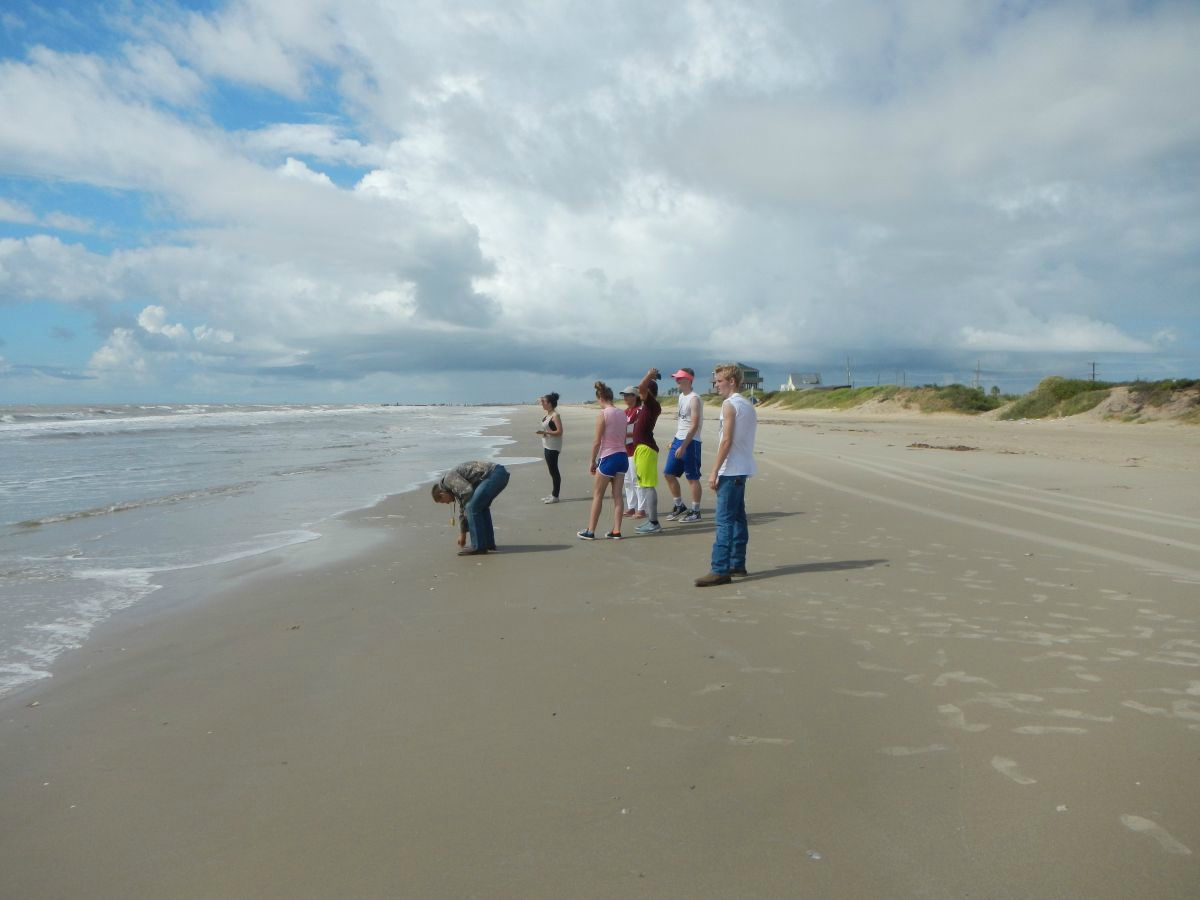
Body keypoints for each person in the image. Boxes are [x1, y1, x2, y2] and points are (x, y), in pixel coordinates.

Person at [695, 364, 757, 586]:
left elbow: (727, 440)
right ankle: (737, 563)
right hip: (742, 468)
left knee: (724, 521)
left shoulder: (730, 404)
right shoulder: (747, 405)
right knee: (738, 518)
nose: (716, 385)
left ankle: (720, 569)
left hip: (731, 470)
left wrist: (714, 471)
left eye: (719, 381)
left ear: (732, 381)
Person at [578, 381, 627, 541]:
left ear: (600, 398)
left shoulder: (603, 414)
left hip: (608, 457)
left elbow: (597, 441)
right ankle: (616, 530)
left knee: (598, 495)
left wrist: (592, 461)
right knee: (617, 495)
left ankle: (591, 530)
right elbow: (623, 437)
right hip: (622, 456)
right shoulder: (622, 414)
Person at [431, 460, 511, 556]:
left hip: (493, 474)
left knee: (472, 507)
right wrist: (463, 532)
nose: (448, 503)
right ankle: (488, 544)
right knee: (481, 507)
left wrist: (463, 534)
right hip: (498, 473)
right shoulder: (451, 486)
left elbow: (467, 492)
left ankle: (478, 546)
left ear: (442, 494)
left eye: (444, 501)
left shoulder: (448, 480)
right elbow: (463, 504)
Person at [663, 367, 704, 523]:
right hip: (679, 440)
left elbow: (694, 425)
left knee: (692, 477)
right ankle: (679, 506)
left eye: (680, 378)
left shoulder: (694, 399)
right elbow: (682, 422)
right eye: (676, 378)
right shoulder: (681, 396)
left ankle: (696, 511)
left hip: (691, 442)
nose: (677, 380)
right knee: (668, 474)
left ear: (688, 379)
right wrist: (675, 441)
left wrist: (684, 446)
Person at [630, 367, 664, 534]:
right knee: (644, 485)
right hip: (641, 448)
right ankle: (651, 520)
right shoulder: (648, 406)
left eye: (643, 391)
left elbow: (642, 387)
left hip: (646, 448)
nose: (639, 393)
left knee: (648, 486)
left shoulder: (652, 404)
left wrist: (649, 375)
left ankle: (654, 522)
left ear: (649, 392)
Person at [619, 386, 643, 518]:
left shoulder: (639, 411)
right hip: (625, 450)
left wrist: (622, 434)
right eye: (624, 395)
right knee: (627, 480)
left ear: (635, 396)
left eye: (628, 395)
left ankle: (641, 508)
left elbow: (639, 431)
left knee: (636, 480)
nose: (625, 397)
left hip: (636, 450)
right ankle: (631, 506)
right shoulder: (625, 412)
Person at [536, 392, 564, 503]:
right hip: (547, 445)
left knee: (554, 471)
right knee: (551, 471)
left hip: (553, 446)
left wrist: (545, 432)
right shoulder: (547, 415)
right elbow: (549, 429)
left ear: (550, 404)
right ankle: (553, 494)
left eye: (544, 402)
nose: (542, 404)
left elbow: (560, 432)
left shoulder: (555, 415)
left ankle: (555, 496)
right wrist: (545, 433)